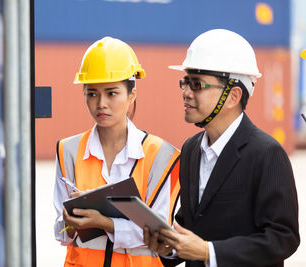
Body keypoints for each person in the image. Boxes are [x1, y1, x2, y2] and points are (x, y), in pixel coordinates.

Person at [143, 29, 300, 267]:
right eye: (185, 82)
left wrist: (209, 252)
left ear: (233, 96)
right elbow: (190, 227)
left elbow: (282, 238)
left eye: (196, 84)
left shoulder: (267, 154)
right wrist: (169, 249)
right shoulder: (190, 151)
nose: (185, 92)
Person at [53, 36, 181, 267]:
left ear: (132, 94)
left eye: (112, 93)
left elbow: (164, 237)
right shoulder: (68, 150)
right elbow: (60, 233)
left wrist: (105, 223)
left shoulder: (161, 155)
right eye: (92, 93)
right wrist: (69, 223)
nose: (101, 103)